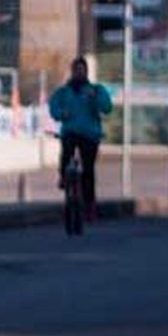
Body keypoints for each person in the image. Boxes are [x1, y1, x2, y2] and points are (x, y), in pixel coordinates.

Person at [48, 58, 113, 218]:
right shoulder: (64, 92)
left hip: (90, 134)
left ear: (87, 72)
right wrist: (61, 114)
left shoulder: (96, 90)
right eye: (77, 70)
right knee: (66, 152)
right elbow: (53, 106)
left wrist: (94, 98)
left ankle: (89, 204)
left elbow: (107, 107)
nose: (79, 73)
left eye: (82, 70)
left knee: (88, 169)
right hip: (70, 131)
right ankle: (64, 177)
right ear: (72, 71)